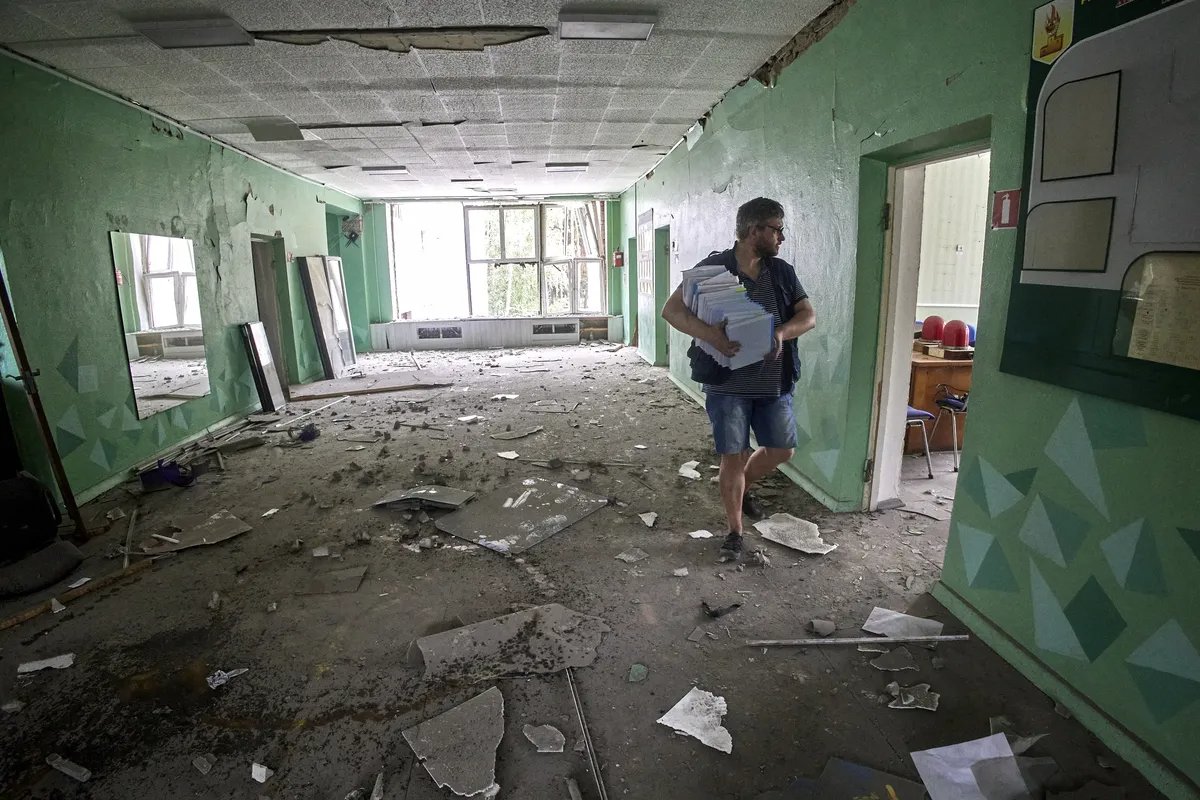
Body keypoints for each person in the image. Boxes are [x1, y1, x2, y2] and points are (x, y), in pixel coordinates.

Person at [660, 197, 816, 560]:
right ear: (753, 231)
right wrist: (710, 334)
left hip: (774, 383)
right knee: (732, 455)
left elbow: (808, 316)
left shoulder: (781, 273)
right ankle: (734, 532)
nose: (781, 237)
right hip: (727, 385)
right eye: (776, 229)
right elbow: (672, 310)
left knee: (782, 449)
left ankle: (741, 488)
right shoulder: (714, 268)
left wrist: (782, 332)